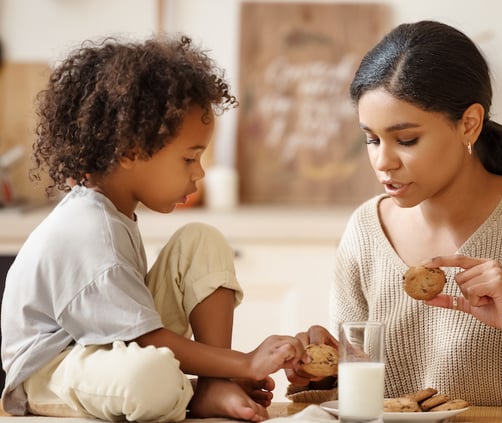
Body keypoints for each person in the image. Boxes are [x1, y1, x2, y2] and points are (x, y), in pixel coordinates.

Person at [288, 20, 502, 409]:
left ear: (468, 124)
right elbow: (366, 404)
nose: (382, 161)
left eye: (406, 140)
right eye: (371, 138)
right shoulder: (365, 229)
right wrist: (327, 372)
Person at [0, 35, 309, 422]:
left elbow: (133, 333)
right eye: (189, 158)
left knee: (202, 239)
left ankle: (211, 383)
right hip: (54, 371)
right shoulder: (87, 230)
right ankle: (199, 390)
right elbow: (143, 340)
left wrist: (228, 367)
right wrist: (243, 363)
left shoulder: (112, 211)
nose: (198, 173)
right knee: (152, 377)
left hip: (112, 346)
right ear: (130, 151)